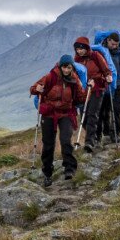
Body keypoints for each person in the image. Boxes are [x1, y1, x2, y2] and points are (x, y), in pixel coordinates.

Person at [31, 54, 86, 187]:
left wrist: (88, 87)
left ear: (72, 67)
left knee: (66, 141)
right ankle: (47, 173)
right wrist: (37, 89)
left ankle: (70, 169)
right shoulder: (50, 77)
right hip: (49, 114)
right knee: (48, 144)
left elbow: (81, 98)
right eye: (64, 67)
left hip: (66, 114)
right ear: (60, 66)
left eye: (69, 67)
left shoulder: (75, 80)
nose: (66, 70)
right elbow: (33, 88)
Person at [73, 36, 113, 152]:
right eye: (77, 49)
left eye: (81, 48)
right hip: (84, 91)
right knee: (84, 118)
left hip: (97, 88)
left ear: (86, 47)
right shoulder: (76, 60)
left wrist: (108, 76)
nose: (79, 51)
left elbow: (106, 69)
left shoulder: (96, 56)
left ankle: (89, 142)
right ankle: (95, 137)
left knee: (92, 115)